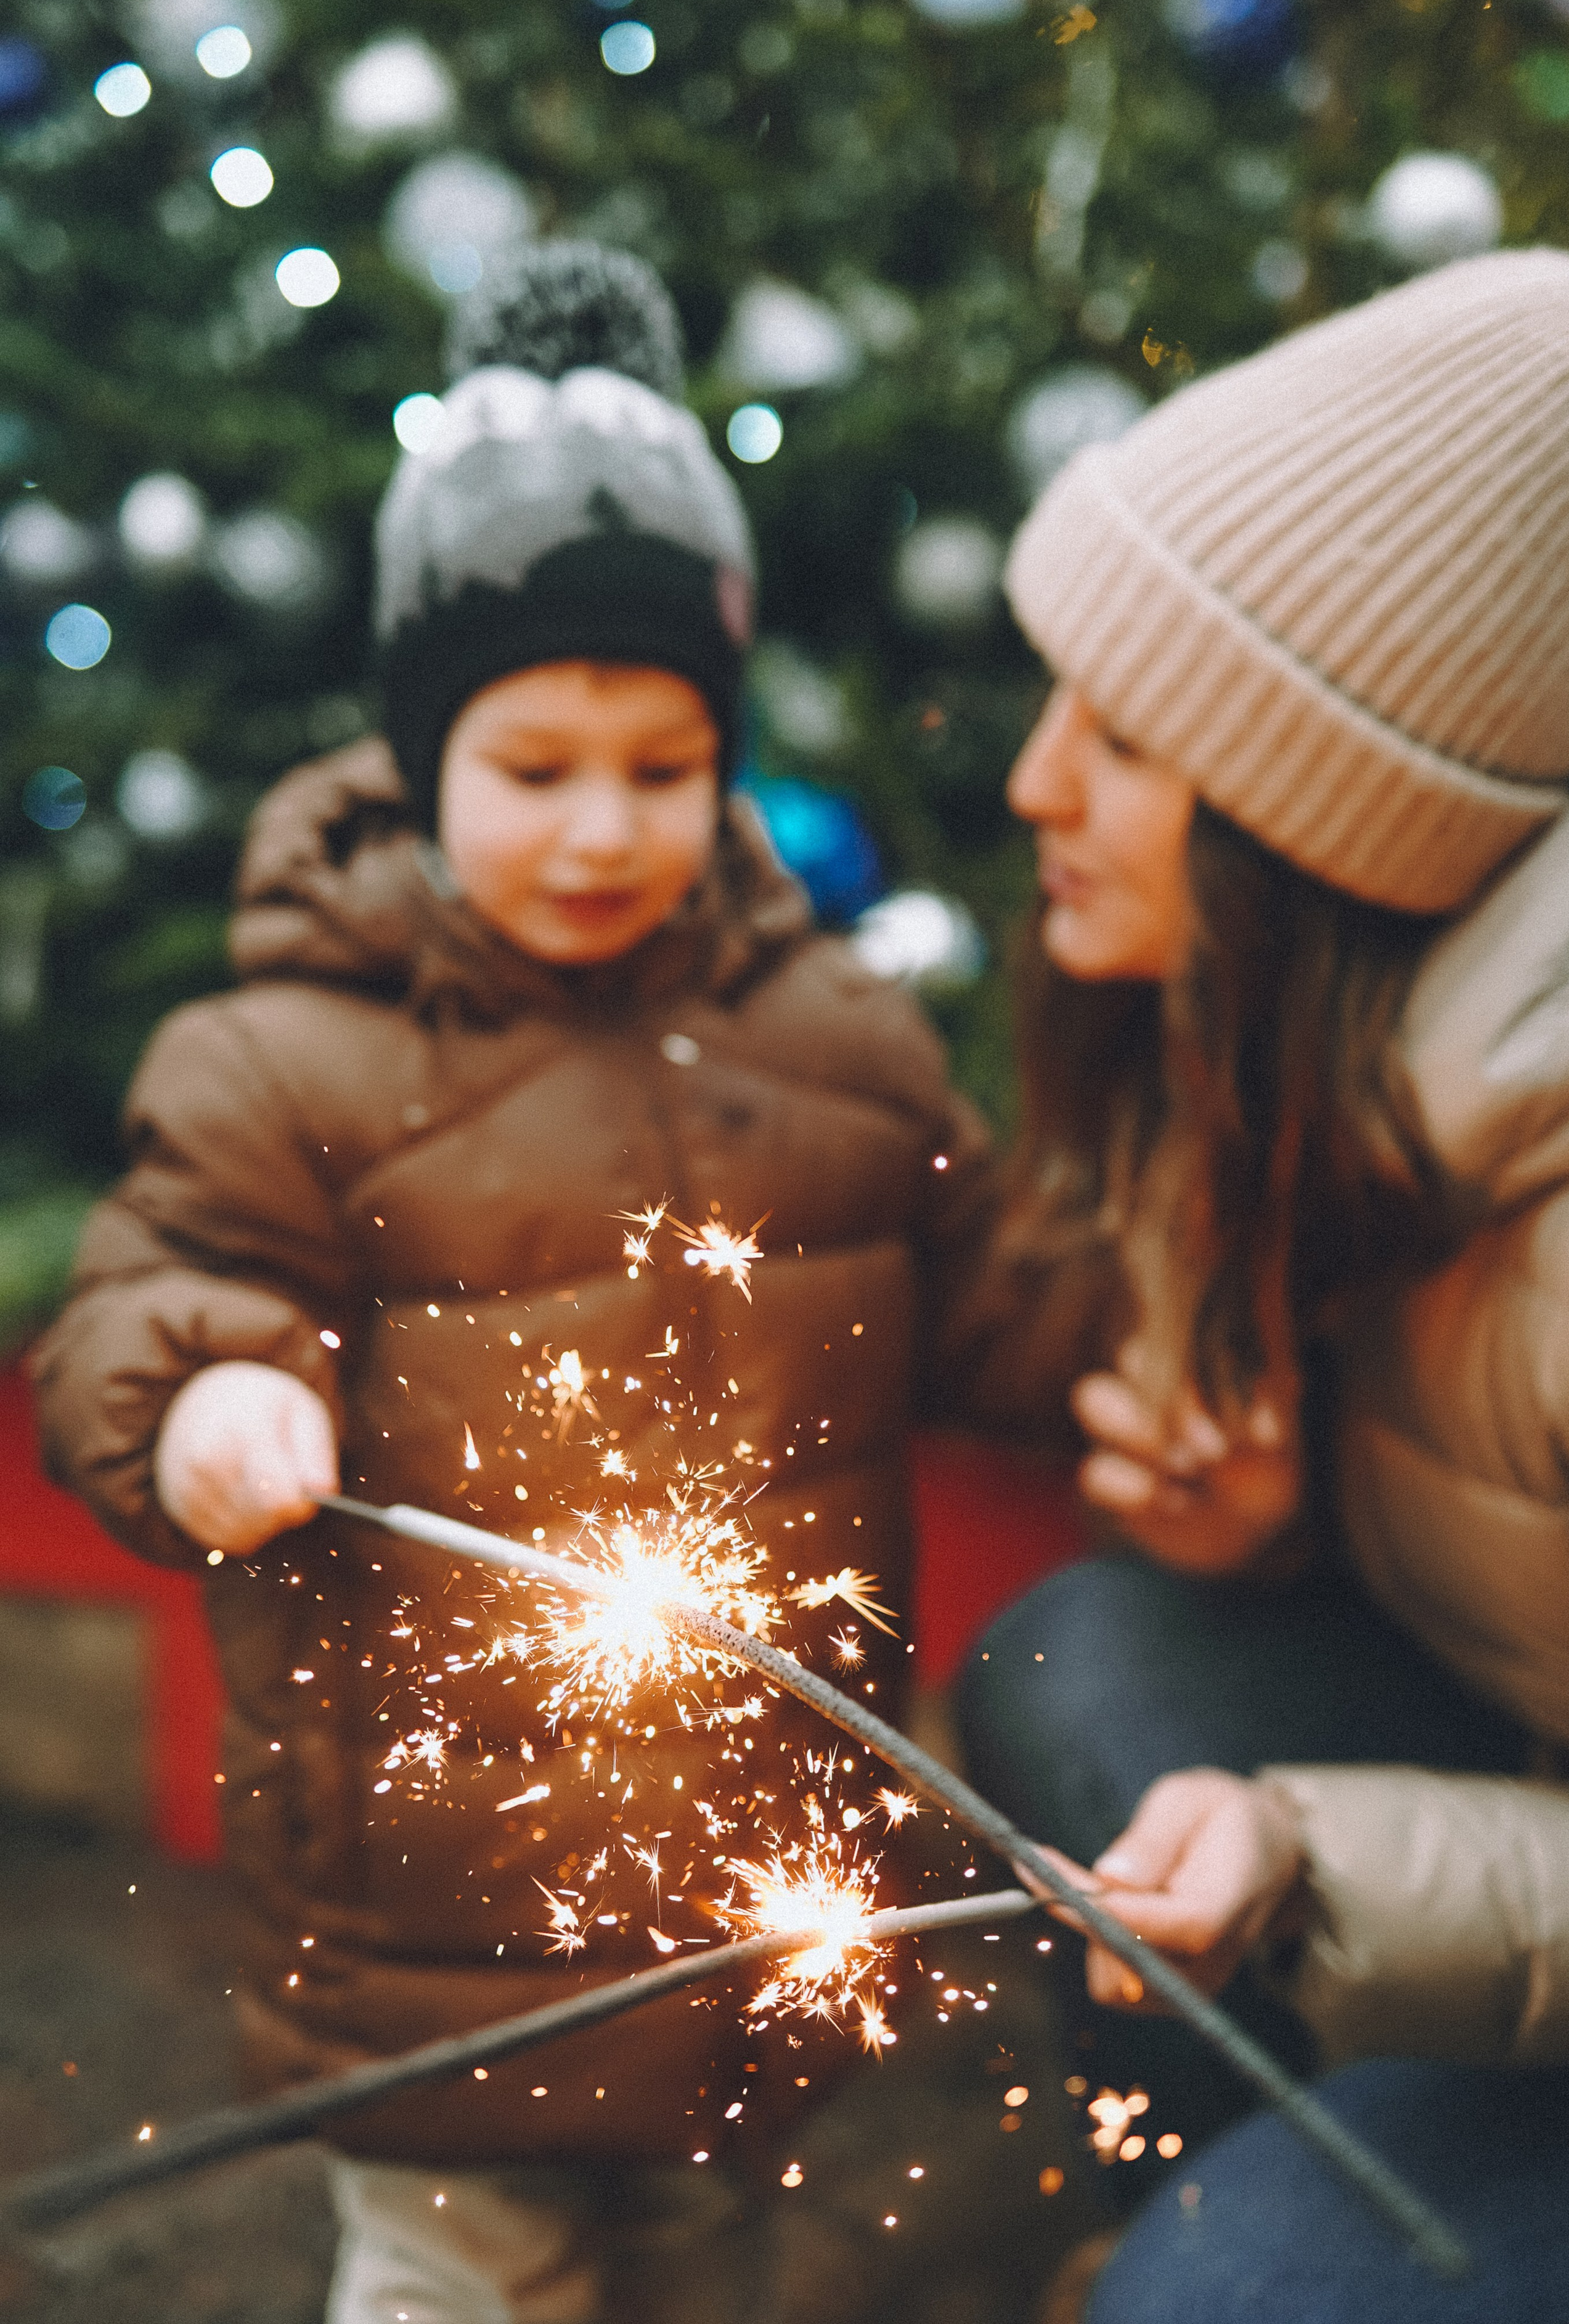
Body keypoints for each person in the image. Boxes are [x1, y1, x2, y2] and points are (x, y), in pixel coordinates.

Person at [32, 243, 991, 2324]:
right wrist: (199, 1395)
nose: (600, 827)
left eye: (663, 766)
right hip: (426, 1929)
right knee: (462, 2286)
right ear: (417, 747)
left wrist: (1165, 1363)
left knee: (703, 2274)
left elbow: (988, 1273)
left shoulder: (839, 1040)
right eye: (533, 766)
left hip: (742, 1890)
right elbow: (148, 1292)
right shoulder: (287, 1058)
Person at [953, 248, 1569, 2318]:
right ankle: (1234, 2196)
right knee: (1086, 1667)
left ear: (1326, 826)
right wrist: (1283, 1528)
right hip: (1510, 1808)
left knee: (1217, 2308)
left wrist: (1315, 1845)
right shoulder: (1270, 1039)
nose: (1037, 786)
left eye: (1124, 744)